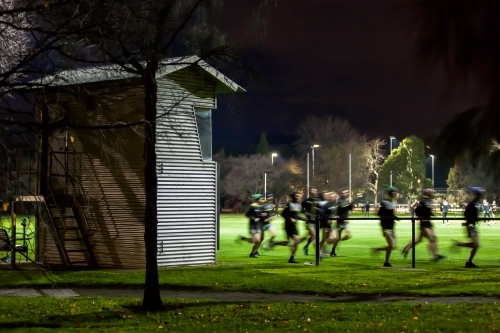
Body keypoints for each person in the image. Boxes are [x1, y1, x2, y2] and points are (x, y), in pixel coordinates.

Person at [401, 188, 445, 262]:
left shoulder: (428, 201)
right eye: (431, 193)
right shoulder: (423, 201)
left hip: (428, 223)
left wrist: (431, 213)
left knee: (420, 239)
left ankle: (405, 248)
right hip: (424, 223)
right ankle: (435, 256)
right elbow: (416, 210)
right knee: (432, 238)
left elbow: (427, 211)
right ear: (427, 193)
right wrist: (421, 218)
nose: (432, 194)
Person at [270, 192, 308, 263]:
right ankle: (291, 258)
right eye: (297, 196)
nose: (298, 197)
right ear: (294, 196)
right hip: (288, 225)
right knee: (297, 240)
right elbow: (283, 214)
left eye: (300, 196)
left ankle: (275, 243)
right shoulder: (289, 204)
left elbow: (295, 216)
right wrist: (290, 218)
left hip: (294, 226)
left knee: (288, 242)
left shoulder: (298, 205)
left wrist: (303, 218)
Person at [454, 187, 484, 268]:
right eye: (481, 192)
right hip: (470, 227)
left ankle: (469, 261)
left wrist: (478, 222)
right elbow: (466, 213)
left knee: (476, 245)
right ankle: (469, 262)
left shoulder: (477, 203)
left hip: (473, 226)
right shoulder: (472, 203)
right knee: (476, 244)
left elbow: (475, 216)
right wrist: (470, 223)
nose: (483, 193)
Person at [373, 186, 399, 267]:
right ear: (390, 194)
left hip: (391, 226)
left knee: (393, 246)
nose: (396, 194)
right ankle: (378, 250)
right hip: (385, 226)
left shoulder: (394, 203)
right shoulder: (384, 203)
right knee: (391, 245)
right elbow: (379, 214)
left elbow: (391, 214)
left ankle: (386, 262)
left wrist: (396, 218)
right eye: (394, 193)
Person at [326, 189, 353, 257]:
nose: (345, 194)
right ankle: (333, 251)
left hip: (345, 221)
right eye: (343, 193)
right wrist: (348, 202)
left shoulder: (348, 200)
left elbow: (349, 208)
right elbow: (342, 207)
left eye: (346, 192)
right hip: (338, 222)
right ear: (341, 194)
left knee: (348, 235)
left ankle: (336, 241)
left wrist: (351, 203)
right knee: (337, 237)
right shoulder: (339, 200)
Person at [302, 187, 319, 256]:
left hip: (317, 221)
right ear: (309, 192)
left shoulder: (318, 200)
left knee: (313, 236)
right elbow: (301, 208)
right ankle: (318, 253)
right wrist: (305, 213)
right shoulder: (306, 201)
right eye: (312, 190)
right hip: (309, 221)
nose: (313, 192)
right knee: (314, 235)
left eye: (315, 190)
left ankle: (305, 246)